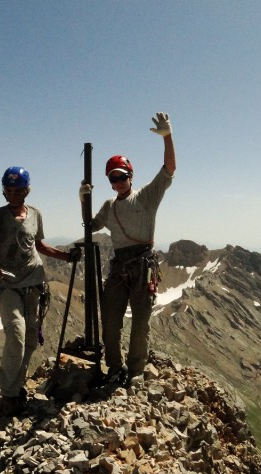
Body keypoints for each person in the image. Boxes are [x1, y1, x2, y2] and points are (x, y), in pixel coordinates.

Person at [79, 112, 176, 385]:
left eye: (121, 176)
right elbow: (90, 225)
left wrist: (168, 137)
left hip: (143, 265)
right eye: (112, 179)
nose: (117, 182)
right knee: (110, 319)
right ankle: (114, 367)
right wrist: (82, 198)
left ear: (130, 176)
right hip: (120, 266)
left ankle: (134, 371)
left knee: (140, 323)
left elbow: (169, 168)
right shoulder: (109, 206)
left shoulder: (146, 197)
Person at [0, 166, 80, 415]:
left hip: (35, 282)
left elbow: (39, 246)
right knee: (17, 335)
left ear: (27, 191)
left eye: (18, 190)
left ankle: (18, 384)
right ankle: (10, 394)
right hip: (8, 284)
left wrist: (67, 256)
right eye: (9, 190)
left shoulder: (36, 214)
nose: (13, 194)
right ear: (4, 191)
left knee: (32, 339)